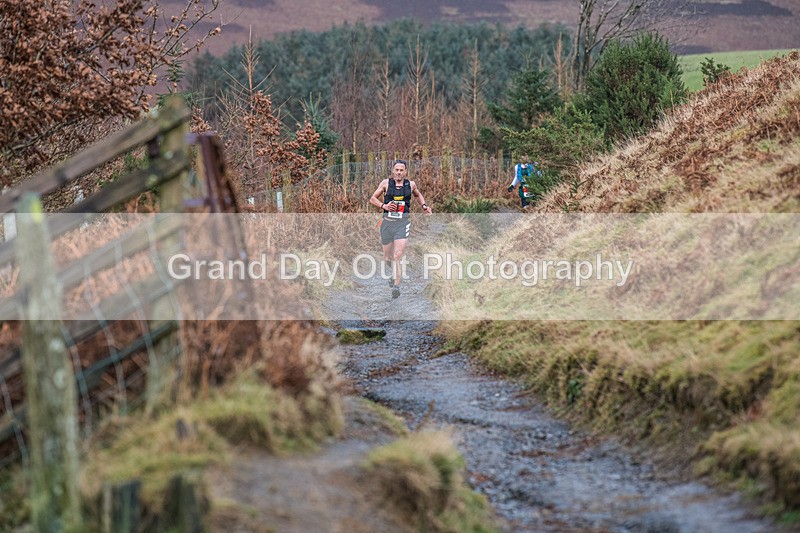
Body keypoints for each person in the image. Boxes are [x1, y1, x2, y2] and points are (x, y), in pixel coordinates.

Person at [369, 159, 433, 299]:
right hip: (386, 223)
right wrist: (383, 206)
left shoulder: (410, 185)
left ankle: (396, 286)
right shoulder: (385, 183)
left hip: (402, 224)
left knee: (398, 255)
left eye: (401, 170)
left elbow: (418, 195)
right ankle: (394, 274)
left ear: (405, 172)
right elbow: (372, 198)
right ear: (393, 171)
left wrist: (424, 207)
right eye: (396, 170)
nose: (399, 172)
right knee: (388, 258)